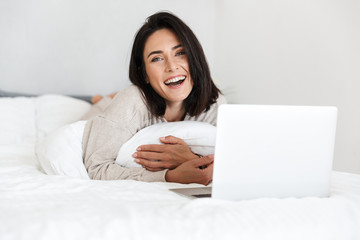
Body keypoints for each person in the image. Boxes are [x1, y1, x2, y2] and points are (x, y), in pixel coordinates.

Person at [82, 11, 226, 185]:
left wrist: (189, 158)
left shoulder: (215, 103)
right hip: (109, 111)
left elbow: (232, 161)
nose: (172, 66)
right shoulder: (132, 101)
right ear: (144, 74)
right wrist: (168, 176)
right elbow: (96, 167)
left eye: (180, 53)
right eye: (157, 58)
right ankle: (102, 100)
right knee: (100, 109)